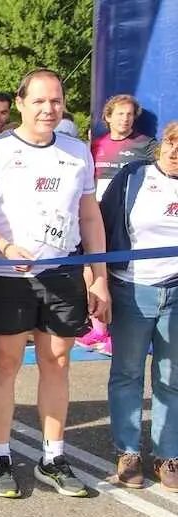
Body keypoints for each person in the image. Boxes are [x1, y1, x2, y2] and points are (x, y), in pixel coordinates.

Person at [0, 68, 109, 500]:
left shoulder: (77, 151)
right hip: (8, 275)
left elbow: (89, 217)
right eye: (40, 101)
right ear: (22, 103)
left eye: (57, 101)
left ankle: (53, 456)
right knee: (7, 364)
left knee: (58, 363)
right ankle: (2, 455)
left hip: (62, 271)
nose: (49, 109)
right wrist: (6, 247)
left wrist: (99, 277)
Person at [99, 120, 178, 493]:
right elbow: (101, 223)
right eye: (172, 144)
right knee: (127, 373)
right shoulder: (134, 177)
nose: (176, 152)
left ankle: (168, 454)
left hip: (176, 292)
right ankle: (128, 452)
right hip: (132, 289)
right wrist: (98, 282)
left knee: (170, 377)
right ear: (161, 145)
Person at [81, 95, 160, 353]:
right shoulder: (96, 144)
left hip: (128, 219)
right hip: (98, 214)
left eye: (129, 115)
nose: (124, 119)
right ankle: (98, 330)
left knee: (118, 273)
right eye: (119, 114)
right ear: (108, 117)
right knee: (90, 269)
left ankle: (118, 331)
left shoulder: (146, 145)